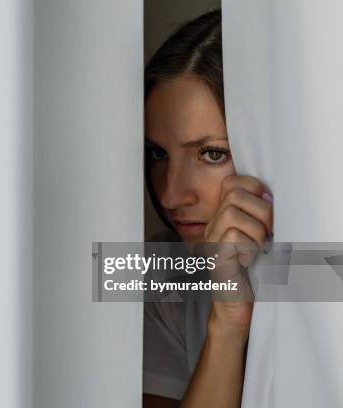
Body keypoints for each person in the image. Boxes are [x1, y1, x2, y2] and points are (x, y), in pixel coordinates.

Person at [142, 9, 273, 408]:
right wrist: (227, 324)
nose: (171, 195)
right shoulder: (161, 275)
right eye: (158, 153)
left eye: (212, 154)